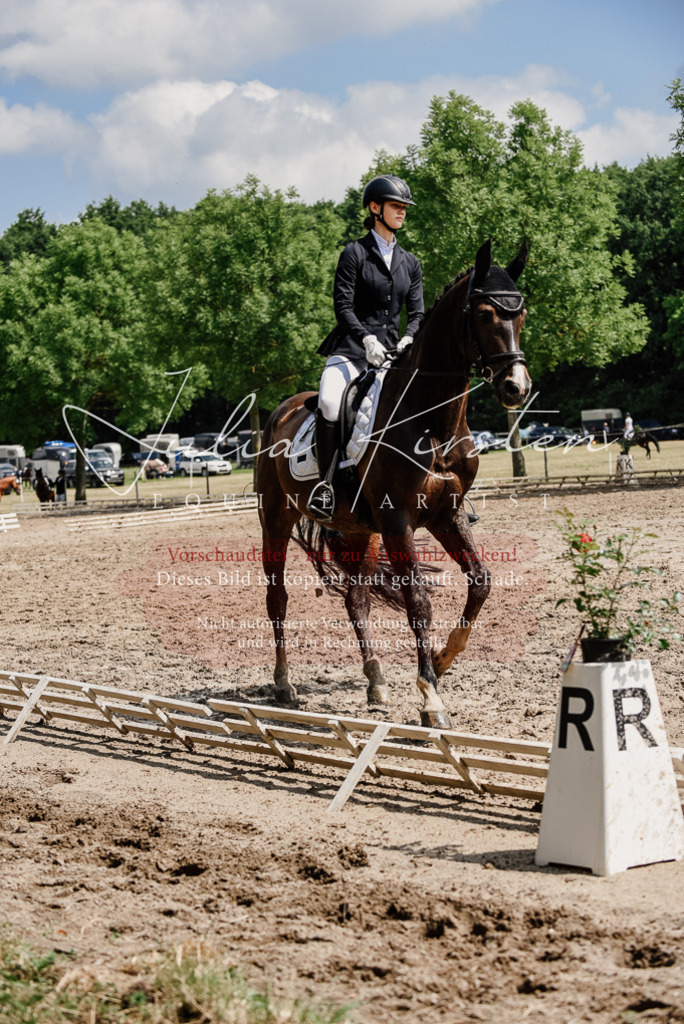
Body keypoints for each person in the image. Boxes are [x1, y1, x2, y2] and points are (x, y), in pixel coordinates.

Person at [306, 174, 424, 519]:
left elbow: (416, 312)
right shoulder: (354, 253)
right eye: (395, 206)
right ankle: (326, 486)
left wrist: (408, 337)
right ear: (375, 208)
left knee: (421, 403)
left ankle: (442, 482)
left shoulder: (410, 262)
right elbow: (342, 307)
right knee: (329, 402)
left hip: (392, 355)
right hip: (352, 351)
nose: (402, 212)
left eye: (404, 207)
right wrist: (366, 338)